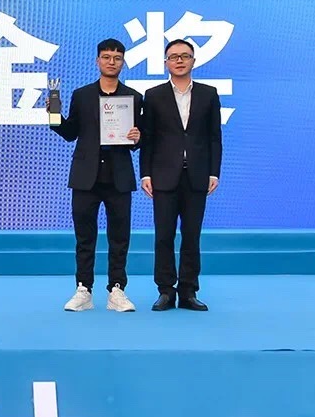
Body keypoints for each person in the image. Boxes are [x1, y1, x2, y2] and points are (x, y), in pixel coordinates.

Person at [50, 38, 143, 312]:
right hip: (85, 177)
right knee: (84, 237)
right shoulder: (82, 95)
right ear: (97, 61)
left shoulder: (134, 97)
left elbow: (141, 138)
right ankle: (84, 289)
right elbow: (70, 133)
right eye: (106, 57)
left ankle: (117, 290)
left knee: (119, 238)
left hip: (119, 177)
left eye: (117, 58)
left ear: (123, 62)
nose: (111, 62)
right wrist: (53, 115)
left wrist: (138, 137)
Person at [140, 38, 222, 311]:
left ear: (193, 61)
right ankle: (165, 291)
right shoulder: (153, 95)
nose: (179, 60)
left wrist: (214, 172)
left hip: (197, 175)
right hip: (163, 176)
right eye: (173, 56)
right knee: (163, 236)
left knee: (191, 235)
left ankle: (188, 291)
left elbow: (214, 137)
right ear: (166, 62)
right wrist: (145, 174)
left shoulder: (209, 94)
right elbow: (148, 138)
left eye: (184, 56)